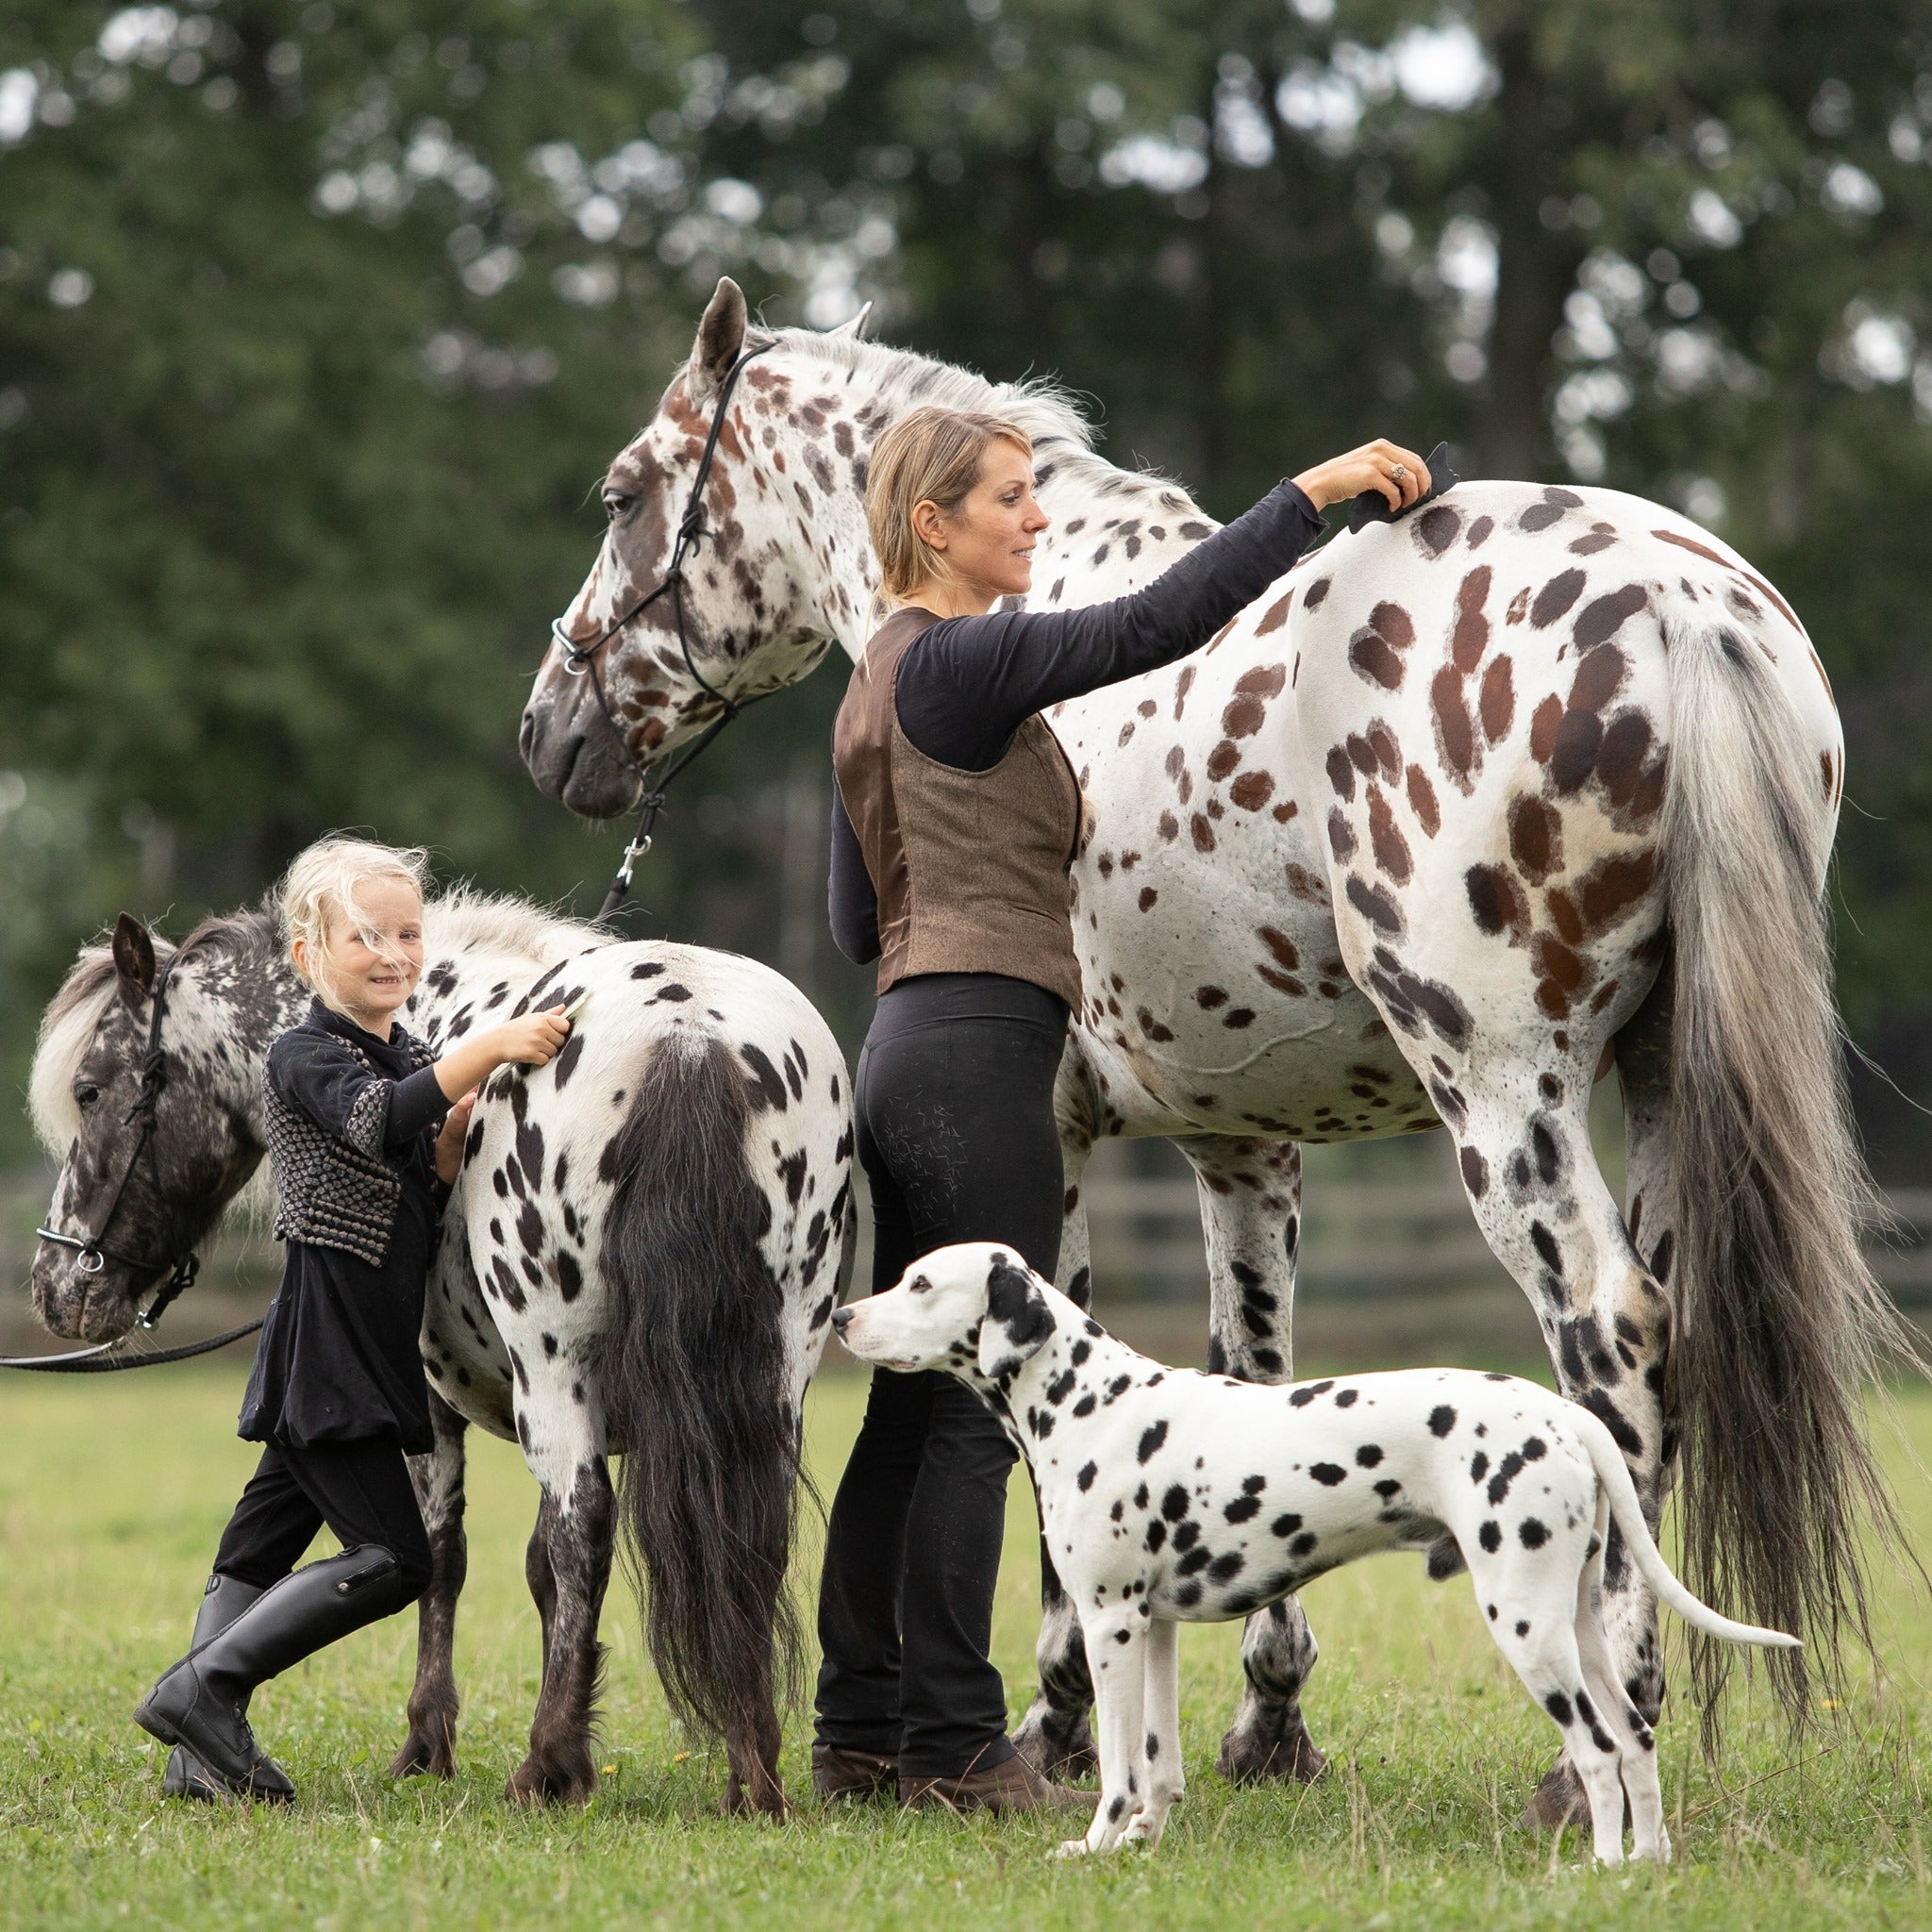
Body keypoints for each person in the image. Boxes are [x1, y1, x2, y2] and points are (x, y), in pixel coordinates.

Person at [813, 406, 1430, 1814]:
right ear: (934, 528)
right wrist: (1313, 492)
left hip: (904, 1045)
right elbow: (1155, 624)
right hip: (984, 1054)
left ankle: (859, 1731)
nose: (1036, 524)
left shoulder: (869, 690)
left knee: (907, 1416)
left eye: (1038, 498)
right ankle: (961, 1752)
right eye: (1011, 503)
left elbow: (856, 922)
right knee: (978, 1421)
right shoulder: (964, 664)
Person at [135, 836, 572, 1803]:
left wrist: (451, 1140)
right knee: (394, 1556)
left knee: (255, 1547)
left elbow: (409, 1167)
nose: (391, 951)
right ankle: (201, 1688)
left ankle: (194, 1754)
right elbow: (377, 1120)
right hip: (333, 1348)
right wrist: (489, 1048)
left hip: (346, 1338)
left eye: (407, 932)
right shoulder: (303, 1051)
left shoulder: (398, 1049)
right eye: (364, 934)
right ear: (307, 954)